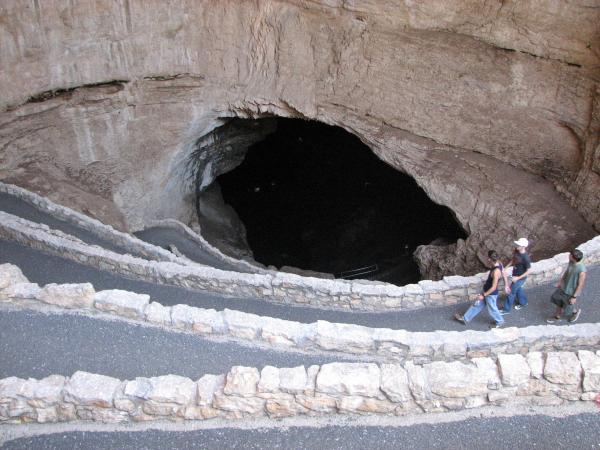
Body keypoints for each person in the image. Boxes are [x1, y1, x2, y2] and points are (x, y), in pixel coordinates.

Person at [454, 250, 505, 328]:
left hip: (490, 294)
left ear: (489, 259)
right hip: (486, 291)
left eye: (488, 258)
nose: (487, 260)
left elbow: (494, 287)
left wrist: (483, 295)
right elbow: (503, 272)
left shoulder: (496, 271)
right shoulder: (499, 263)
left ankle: (500, 321)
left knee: (492, 309)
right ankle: (465, 318)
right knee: (477, 305)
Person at [546, 248, 587, 324]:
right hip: (563, 287)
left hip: (570, 292)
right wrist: (561, 281)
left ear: (573, 257)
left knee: (567, 306)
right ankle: (557, 316)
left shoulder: (581, 270)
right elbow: (567, 271)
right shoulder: (571, 262)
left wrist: (574, 297)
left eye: (570, 255)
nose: (568, 255)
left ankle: (574, 313)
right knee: (557, 299)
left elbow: (580, 284)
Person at [502, 238, 531, 313]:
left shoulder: (526, 258)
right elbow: (513, 260)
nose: (517, 245)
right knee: (518, 289)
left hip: (520, 278)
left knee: (511, 292)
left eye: (519, 245)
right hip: (515, 275)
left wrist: (518, 278)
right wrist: (506, 267)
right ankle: (523, 302)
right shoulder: (517, 251)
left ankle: (506, 309)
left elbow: (528, 271)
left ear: (523, 247)